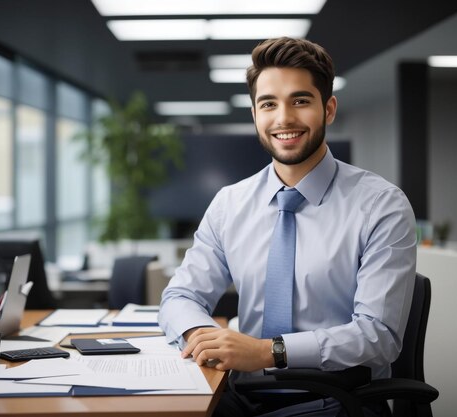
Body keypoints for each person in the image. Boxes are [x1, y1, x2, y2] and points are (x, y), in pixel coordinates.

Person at [159, 37, 417, 417]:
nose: (283, 119)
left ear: (328, 109)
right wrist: (199, 336)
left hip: (336, 401)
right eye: (268, 104)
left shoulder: (382, 205)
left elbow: (378, 335)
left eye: (300, 100)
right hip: (239, 397)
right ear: (255, 114)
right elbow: (180, 296)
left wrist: (266, 352)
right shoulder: (230, 203)